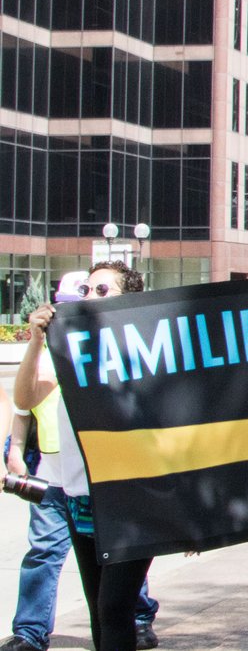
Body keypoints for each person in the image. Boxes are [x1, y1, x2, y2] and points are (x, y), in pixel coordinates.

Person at [14, 262, 155, 651]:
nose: (89, 298)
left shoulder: (148, 350)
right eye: (87, 290)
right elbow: (25, 400)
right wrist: (36, 341)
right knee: (101, 610)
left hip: (134, 499)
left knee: (113, 606)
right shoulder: (69, 347)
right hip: (82, 498)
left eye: (102, 291)